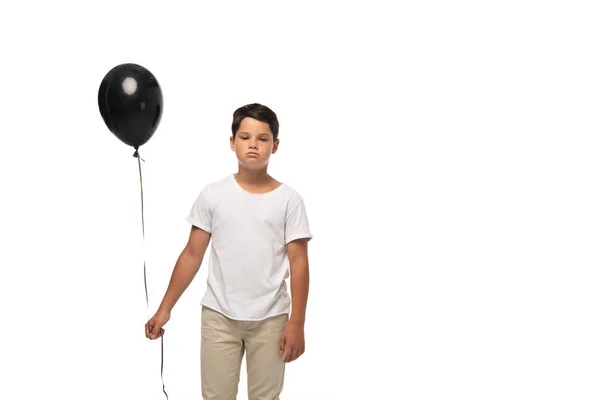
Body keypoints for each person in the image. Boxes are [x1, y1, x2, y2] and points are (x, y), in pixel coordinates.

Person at [145, 103, 313, 400]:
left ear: (275, 146)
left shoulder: (289, 200)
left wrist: (296, 322)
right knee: (216, 396)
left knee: (265, 396)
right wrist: (164, 308)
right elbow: (192, 255)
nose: (253, 145)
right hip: (219, 316)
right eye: (245, 137)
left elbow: (298, 263)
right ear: (232, 142)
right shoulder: (214, 194)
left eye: (262, 139)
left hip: (271, 318)